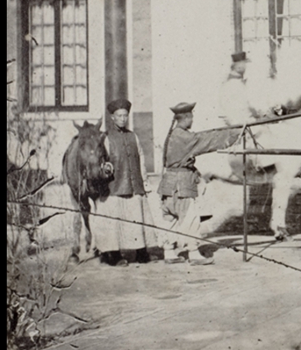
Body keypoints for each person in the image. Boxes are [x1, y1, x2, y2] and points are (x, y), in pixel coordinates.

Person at [157, 102, 241, 265]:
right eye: (192, 117)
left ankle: (168, 252)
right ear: (187, 117)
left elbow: (201, 137)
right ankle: (194, 253)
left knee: (171, 219)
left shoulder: (174, 135)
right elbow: (206, 140)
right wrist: (235, 133)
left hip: (168, 185)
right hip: (181, 185)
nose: (193, 120)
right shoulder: (184, 137)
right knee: (190, 218)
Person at [93, 99, 157, 266]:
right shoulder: (106, 138)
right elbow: (99, 162)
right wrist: (105, 168)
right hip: (115, 187)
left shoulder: (133, 136)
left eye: (125, 115)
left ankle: (141, 252)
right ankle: (113, 255)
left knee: (137, 217)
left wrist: (144, 180)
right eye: (119, 116)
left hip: (134, 185)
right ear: (112, 118)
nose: (122, 119)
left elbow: (141, 158)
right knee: (114, 223)